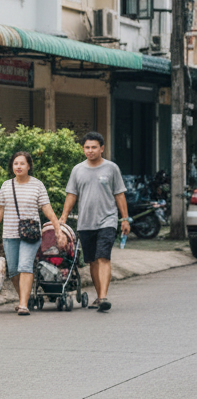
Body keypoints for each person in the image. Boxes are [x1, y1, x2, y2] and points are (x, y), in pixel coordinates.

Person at [0, 151, 65, 316]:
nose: (18, 166)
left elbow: (46, 208)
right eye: (16, 163)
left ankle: (23, 304)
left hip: (30, 234)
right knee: (14, 270)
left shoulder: (37, 185)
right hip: (9, 233)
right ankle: (24, 298)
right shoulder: (6, 186)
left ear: (29, 166)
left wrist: (57, 228)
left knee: (24, 266)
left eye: (22, 163)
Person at [58, 131, 129, 312]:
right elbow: (71, 195)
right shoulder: (77, 170)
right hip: (85, 222)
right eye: (87, 147)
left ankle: (103, 296)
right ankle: (99, 297)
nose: (90, 151)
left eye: (94, 147)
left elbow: (119, 194)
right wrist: (63, 217)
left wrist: (125, 219)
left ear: (102, 148)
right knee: (92, 261)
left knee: (103, 257)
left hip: (108, 220)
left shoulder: (111, 168)